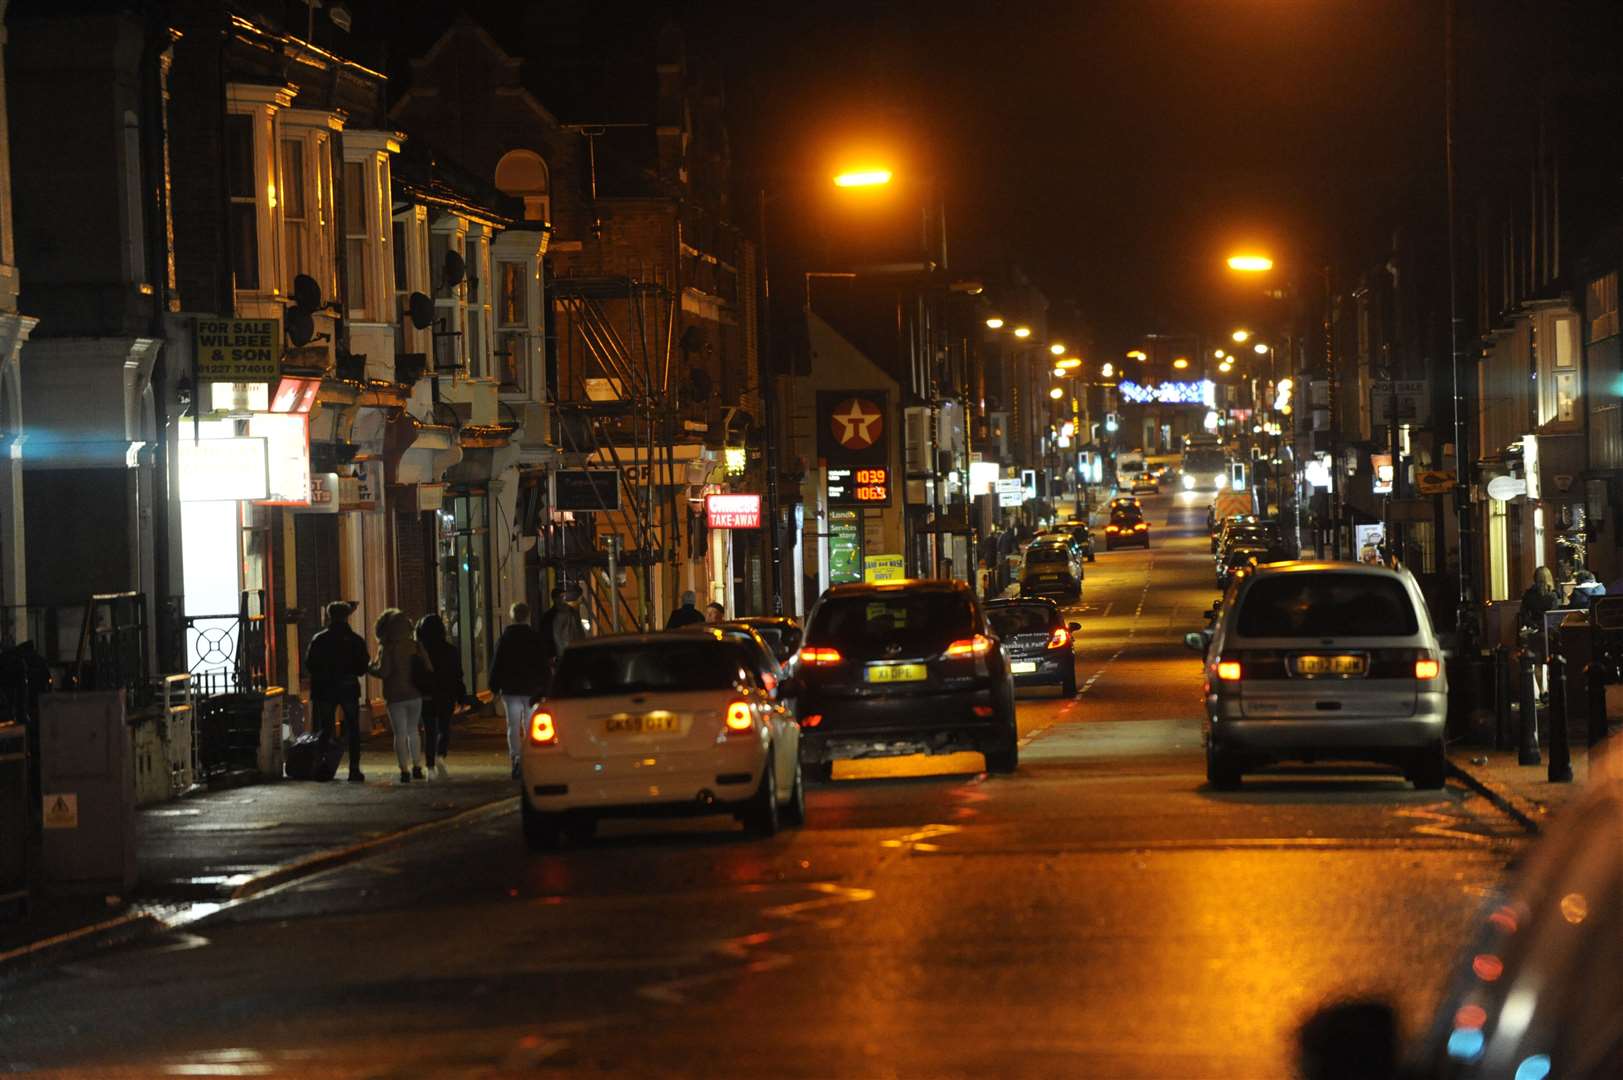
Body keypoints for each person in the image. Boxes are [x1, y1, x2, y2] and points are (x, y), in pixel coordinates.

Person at [304, 601, 372, 783]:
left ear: (329, 616)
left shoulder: (319, 639)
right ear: (347, 616)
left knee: (326, 728)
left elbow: (310, 664)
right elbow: (362, 666)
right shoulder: (355, 640)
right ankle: (354, 769)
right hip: (348, 686)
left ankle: (322, 767)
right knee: (353, 728)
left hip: (325, 688)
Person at [368, 609, 431, 784]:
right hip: (415, 694)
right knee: (414, 731)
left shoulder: (387, 647)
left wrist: (370, 668)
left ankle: (404, 770)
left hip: (395, 696)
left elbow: (384, 672)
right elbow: (428, 667)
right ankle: (417, 766)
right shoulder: (416, 645)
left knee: (400, 734)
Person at [489, 602, 547, 778]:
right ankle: (531, 757)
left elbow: (497, 664)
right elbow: (542, 664)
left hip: (511, 689)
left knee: (512, 725)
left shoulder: (505, 638)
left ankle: (516, 758)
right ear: (528, 616)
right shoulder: (535, 638)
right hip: (531, 689)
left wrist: (494, 686)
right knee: (530, 725)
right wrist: (545, 686)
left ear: (512, 616)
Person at [414, 613, 464, 780]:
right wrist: (460, 694)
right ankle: (440, 755)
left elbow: (416, 675)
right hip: (446, 694)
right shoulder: (450, 650)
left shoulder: (419, 651)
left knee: (429, 730)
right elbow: (457, 674)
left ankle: (430, 766)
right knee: (444, 727)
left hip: (427, 694)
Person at [538, 583, 587, 679]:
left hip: (569, 651)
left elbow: (578, 630)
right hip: (559, 653)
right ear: (555, 599)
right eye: (561, 597)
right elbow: (546, 637)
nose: (563, 599)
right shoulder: (550, 616)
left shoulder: (570, 613)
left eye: (563, 596)